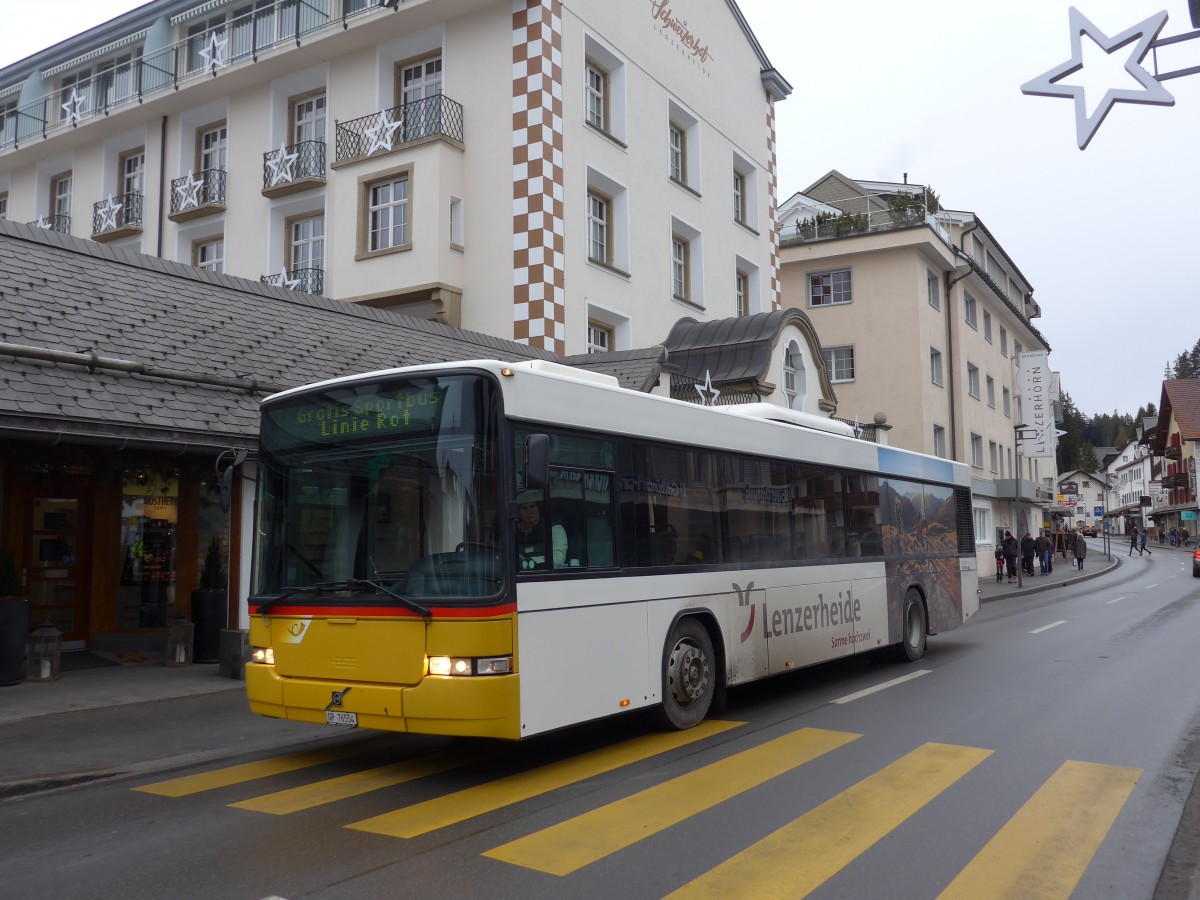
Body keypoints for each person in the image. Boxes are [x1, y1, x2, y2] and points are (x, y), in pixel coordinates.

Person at [515, 495, 567, 569]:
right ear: (519, 513)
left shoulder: (555, 529)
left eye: (532, 506)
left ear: (538, 509)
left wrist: (527, 561)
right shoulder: (514, 531)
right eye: (524, 508)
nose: (529, 511)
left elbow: (558, 559)